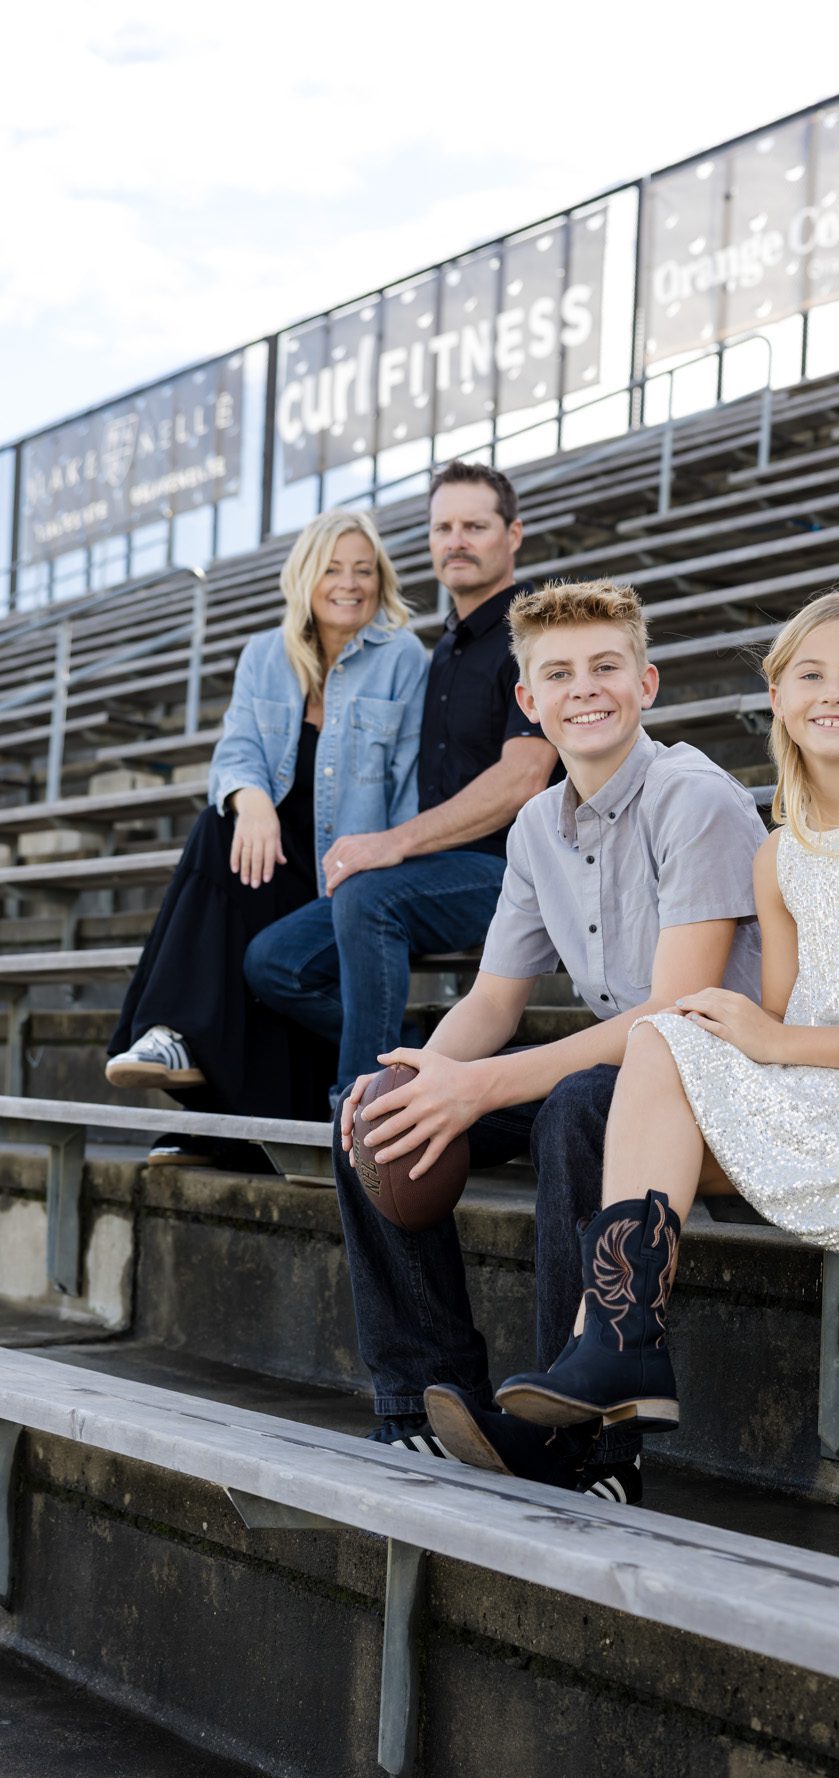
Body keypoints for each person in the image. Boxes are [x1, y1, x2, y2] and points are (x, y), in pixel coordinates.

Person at [485, 581, 839, 1442]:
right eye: (810, 676)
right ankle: (612, 1345)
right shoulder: (777, 852)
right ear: (777, 698)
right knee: (659, 1037)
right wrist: (763, 1045)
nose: (832, 693)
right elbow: (777, 1026)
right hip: (807, 1087)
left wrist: (772, 1040)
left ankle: (604, 1353)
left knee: (653, 1043)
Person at [333, 578, 768, 1502]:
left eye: (606, 667)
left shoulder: (695, 799)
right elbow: (491, 1004)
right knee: (374, 1111)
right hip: (630, 1068)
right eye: (559, 674)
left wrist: (481, 1087)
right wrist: (420, 1076)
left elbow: (675, 1015)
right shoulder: (536, 825)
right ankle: (418, 1400)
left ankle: (588, 1449)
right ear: (528, 702)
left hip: (723, 1084)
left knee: (577, 1108)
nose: (586, 689)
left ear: (645, 683)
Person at [104, 510, 427, 1162]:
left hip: (346, 873)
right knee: (219, 826)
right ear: (306, 577)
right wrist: (251, 802)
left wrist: (375, 868)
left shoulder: (403, 660)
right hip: (270, 854)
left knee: (222, 869)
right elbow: (238, 751)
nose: (350, 583)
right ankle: (188, 1070)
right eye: (334, 569)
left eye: (364, 570)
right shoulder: (264, 654)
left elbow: (408, 789)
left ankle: (178, 1049)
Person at [244, 461, 558, 1101]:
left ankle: (361, 1110)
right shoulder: (441, 649)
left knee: (369, 895)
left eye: (475, 525)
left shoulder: (536, 635)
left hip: (513, 870)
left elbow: (523, 778)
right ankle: (412, 1048)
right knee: (272, 961)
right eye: (443, 527)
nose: (457, 540)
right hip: (434, 873)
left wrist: (393, 843)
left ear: (514, 534)